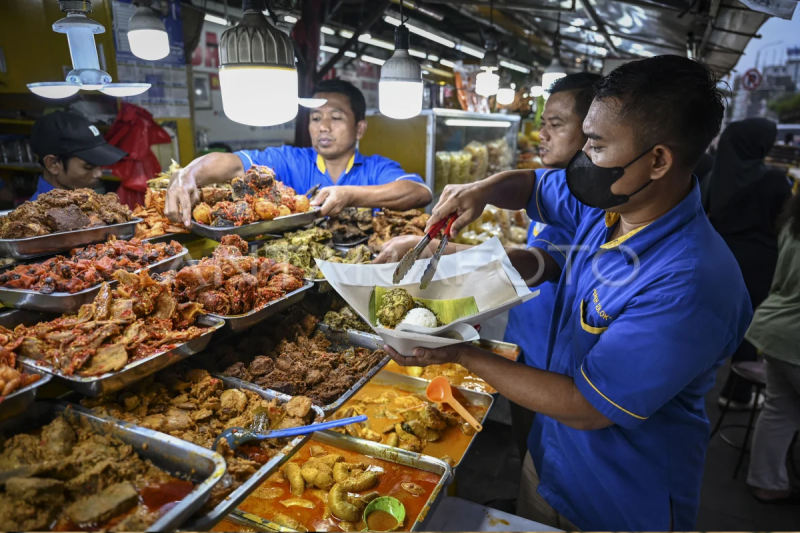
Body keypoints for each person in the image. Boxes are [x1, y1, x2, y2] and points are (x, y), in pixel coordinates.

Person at [384, 55, 752, 530]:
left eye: (596, 146)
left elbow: (587, 406)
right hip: (552, 459)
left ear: (659, 159)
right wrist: (482, 190)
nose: (583, 160)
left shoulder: (690, 281)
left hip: (619, 497)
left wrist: (459, 353)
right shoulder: (610, 207)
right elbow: (535, 187)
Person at [375, 72, 600, 460]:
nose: (543, 135)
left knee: (551, 447)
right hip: (532, 346)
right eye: (542, 124)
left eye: (556, 125)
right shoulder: (563, 187)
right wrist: (482, 188)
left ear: (593, 131)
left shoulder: (595, 203)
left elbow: (534, 263)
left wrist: (428, 250)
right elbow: (530, 186)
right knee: (531, 445)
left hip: (568, 374)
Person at [165, 78, 431, 225]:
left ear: (360, 128)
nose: (323, 127)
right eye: (316, 118)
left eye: (336, 118)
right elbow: (233, 164)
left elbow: (420, 192)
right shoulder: (289, 160)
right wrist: (187, 174)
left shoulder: (376, 168)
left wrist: (349, 195)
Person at [706, 119, 792, 410]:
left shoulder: (713, 177)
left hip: (718, 258)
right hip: (759, 264)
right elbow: (785, 223)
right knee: (748, 327)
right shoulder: (774, 180)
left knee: (709, 321)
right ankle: (736, 392)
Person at [745, 192, 800, 503]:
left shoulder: (792, 224)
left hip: (774, 328)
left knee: (780, 410)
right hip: (794, 338)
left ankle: (768, 482)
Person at [28, 111, 128, 201]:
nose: (99, 174)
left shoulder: (85, 203)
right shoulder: (39, 219)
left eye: (100, 165)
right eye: (88, 166)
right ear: (53, 164)